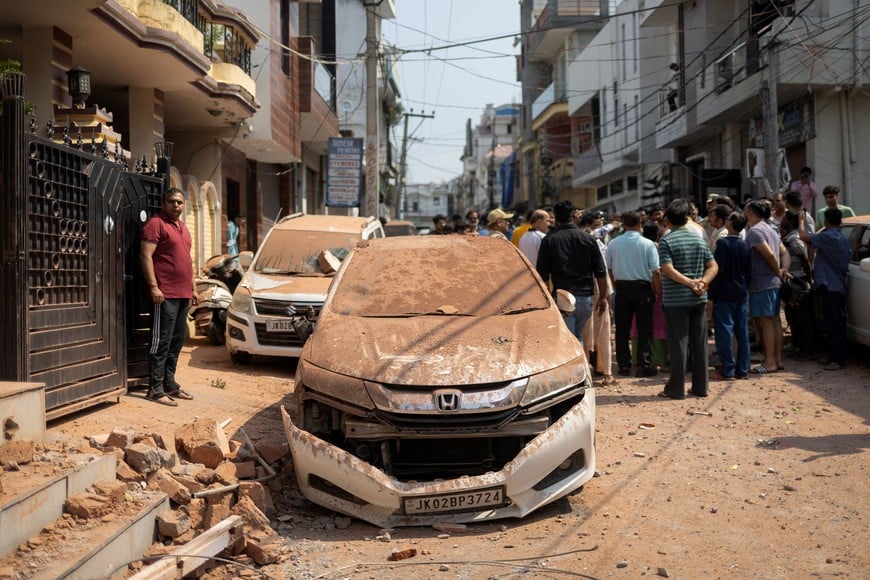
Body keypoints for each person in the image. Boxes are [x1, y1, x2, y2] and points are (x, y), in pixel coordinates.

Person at [140, 187, 198, 406]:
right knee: (160, 341)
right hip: (165, 294)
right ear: (164, 203)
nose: (176, 206)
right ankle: (154, 388)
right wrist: (154, 287)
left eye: (180, 203)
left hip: (183, 293)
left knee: (176, 341)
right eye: (172, 202)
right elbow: (145, 256)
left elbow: (187, 260)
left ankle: (169, 384)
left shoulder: (183, 227)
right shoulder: (156, 224)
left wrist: (193, 287)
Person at [657, 199, 718, 399]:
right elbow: (713, 266)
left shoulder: (666, 240)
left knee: (678, 344)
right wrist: (702, 282)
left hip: (676, 301)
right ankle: (701, 388)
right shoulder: (699, 238)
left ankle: (676, 389)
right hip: (698, 298)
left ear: (668, 219)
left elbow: (667, 269)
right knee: (700, 344)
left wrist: (689, 283)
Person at [537, 200, 608, 347]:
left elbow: (542, 275)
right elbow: (600, 272)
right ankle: (580, 368)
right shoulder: (589, 239)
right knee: (577, 337)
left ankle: (576, 368)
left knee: (568, 341)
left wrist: (546, 301)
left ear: (555, 218)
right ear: (574, 216)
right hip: (585, 299)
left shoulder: (549, 240)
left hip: (562, 297)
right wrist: (602, 297)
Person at [606, 211, 661, 378]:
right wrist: (657, 290)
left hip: (622, 288)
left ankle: (624, 365)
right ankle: (643, 365)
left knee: (622, 329)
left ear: (624, 224)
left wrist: (616, 285)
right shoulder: (648, 244)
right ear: (640, 223)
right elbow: (655, 271)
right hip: (643, 288)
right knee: (645, 328)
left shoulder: (614, 244)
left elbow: (608, 269)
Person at [799, 208, 852, 370]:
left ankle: (837, 360)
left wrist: (801, 220)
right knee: (832, 323)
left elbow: (804, 237)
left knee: (834, 324)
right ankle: (833, 357)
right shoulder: (840, 237)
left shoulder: (828, 236)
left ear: (827, 221)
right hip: (835, 285)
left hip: (831, 286)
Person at [744, 200, 789, 375]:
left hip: (762, 282)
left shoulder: (755, 231)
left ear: (752, 213)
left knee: (765, 321)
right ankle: (777, 359)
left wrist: (778, 271)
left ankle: (769, 361)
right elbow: (783, 251)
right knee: (774, 320)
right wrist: (782, 270)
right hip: (772, 282)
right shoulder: (771, 229)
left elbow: (769, 254)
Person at [708, 211, 751, 380]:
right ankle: (743, 368)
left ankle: (728, 369)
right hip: (740, 292)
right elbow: (749, 272)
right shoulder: (744, 245)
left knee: (724, 331)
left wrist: (711, 294)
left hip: (724, 293)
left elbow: (718, 271)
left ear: (732, 223)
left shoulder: (723, 244)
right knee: (742, 331)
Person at [780, 210, 815, 360]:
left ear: (790, 221)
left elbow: (804, 259)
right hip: (791, 281)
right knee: (793, 316)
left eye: (785, 218)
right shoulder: (787, 237)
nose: (782, 220)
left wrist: (809, 280)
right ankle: (798, 346)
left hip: (798, 282)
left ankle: (807, 350)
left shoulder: (794, 239)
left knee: (802, 317)